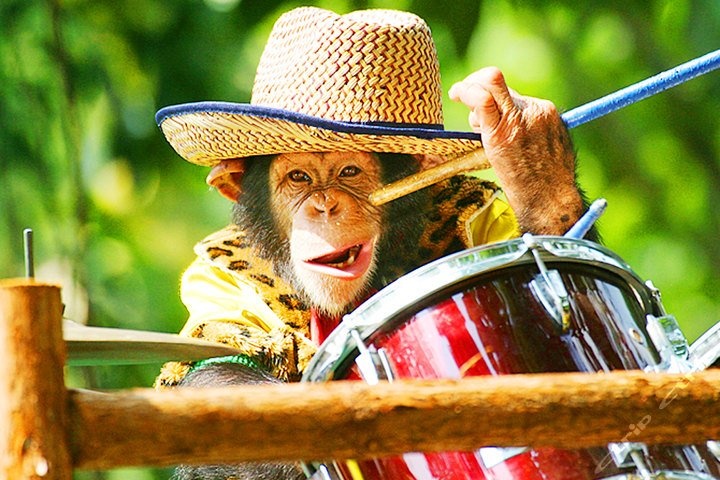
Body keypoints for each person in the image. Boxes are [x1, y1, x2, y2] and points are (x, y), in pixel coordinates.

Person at [153, 6, 589, 477]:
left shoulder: (471, 220)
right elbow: (214, 390)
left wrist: (550, 206)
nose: (324, 205)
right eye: (297, 177)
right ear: (236, 186)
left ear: (420, 176)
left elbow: (582, 339)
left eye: (350, 173)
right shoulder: (236, 266)